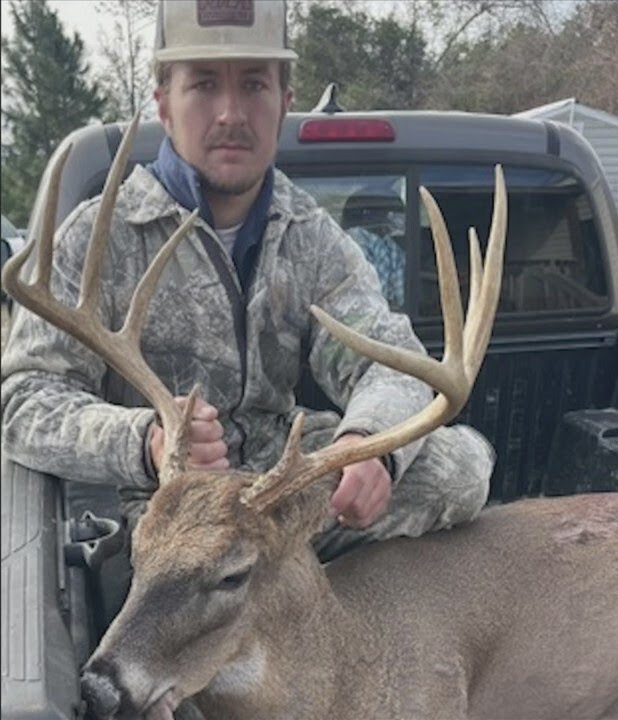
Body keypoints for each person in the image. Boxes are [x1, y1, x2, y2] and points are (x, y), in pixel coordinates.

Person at [0, 0, 494, 564]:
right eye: (205, 84)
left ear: (284, 102)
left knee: (461, 465)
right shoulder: (99, 236)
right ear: (163, 102)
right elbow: (24, 401)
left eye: (255, 85)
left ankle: (286, 605)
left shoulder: (310, 237)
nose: (232, 114)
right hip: (161, 509)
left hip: (278, 492)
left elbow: (390, 359)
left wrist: (368, 447)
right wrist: (147, 441)